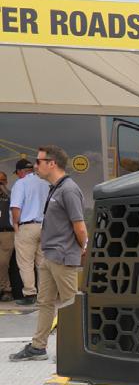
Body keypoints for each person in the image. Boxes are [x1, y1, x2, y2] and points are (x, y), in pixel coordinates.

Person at [10, 146, 88, 362]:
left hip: (63, 256)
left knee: (71, 304)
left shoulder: (68, 190)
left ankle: (77, 350)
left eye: (39, 161)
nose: (35, 166)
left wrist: (83, 249)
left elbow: (80, 226)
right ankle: (38, 347)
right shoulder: (55, 188)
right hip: (49, 255)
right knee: (45, 303)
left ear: (52, 163)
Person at [10, 157, 49, 305]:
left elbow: (16, 206)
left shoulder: (21, 183)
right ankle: (44, 295)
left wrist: (15, 224)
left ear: (20, 172)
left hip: (27, 226)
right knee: (42, 263)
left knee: (26, 263)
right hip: (45, 226)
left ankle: (30, 294)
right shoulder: (45, 182)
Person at [0, 171, 14, 301]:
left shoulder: (11, 194)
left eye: (2, 181)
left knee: (3, 262)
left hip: (7, 233)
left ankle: (6, 290)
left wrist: (3, 189)